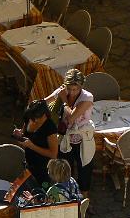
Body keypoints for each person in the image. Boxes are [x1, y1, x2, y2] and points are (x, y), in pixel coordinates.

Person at [46, 69, 95, 199]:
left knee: (85, 169)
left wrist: (63, 100)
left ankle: (85, 200)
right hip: (65, 138)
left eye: (76, 89)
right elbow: (45, 101)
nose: (72, 92)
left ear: (81, 87)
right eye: (70, 89)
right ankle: (68, 198)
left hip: (83, 139)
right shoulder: (63, 92)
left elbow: (71, 117)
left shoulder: (87, 98)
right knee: (65, 169)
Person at [14, 99, 58, 188]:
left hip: (43, 169)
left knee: (41, 192)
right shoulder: (29, 118)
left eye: (36, 118)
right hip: (27, 164)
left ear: (44, 114)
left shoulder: (50, 127)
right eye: (32, 118)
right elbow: (24, 134)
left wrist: (32, 146)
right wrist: (19, 134)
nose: (34, 121)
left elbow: (53, 154)